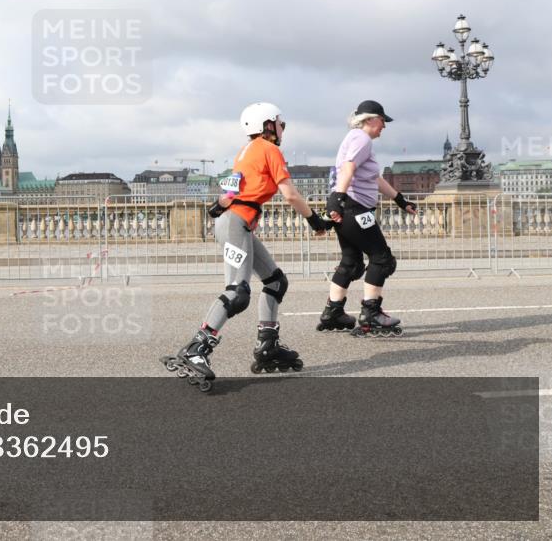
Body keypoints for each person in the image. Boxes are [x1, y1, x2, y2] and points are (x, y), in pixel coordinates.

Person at [162, 102, 329, 389]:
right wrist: (316, 221)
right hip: (236, 224)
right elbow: (289, 194)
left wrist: (223, 209)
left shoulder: (245, 151)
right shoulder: (269, 149)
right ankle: (197, 348)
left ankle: (268, 346)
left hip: (236, 222)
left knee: (276, 282)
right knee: (238, 292)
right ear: (267, 125)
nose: (281, 128)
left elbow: (230, 191)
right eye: (279, 123)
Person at [317, 100, 417, 336]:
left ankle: (333, 311)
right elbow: (349, 168)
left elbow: (373, 178)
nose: (384, 126)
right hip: (356, 209)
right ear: (371, 119)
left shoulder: (353, 138)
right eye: (383, 121)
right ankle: (371, 313)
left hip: (348, 209)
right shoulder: (361, 139)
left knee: (350, 262)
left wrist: (400, 199)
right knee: (382, 259)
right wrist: (337, 198)